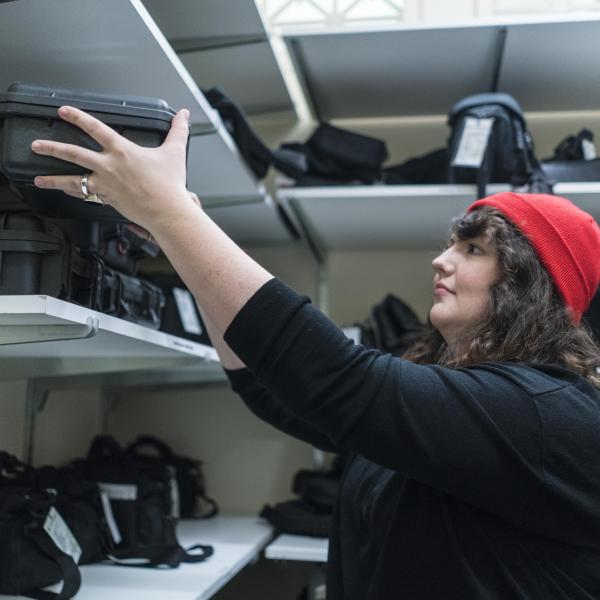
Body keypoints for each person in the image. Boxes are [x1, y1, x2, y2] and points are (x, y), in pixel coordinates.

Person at [32, 107, 600, 599]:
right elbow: (274, 390)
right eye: (451, 243)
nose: (441, 260)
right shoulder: (455, 397)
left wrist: (176, 215)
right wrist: (181, 244)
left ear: (531, 284)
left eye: (473, 247)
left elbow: (338, 381)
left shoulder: (545, 413)